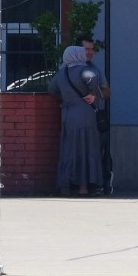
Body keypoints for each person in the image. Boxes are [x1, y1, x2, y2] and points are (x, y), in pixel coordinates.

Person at [48, 46, 103, 197]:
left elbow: (51, 89)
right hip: (85, 113)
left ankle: (66, 183)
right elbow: (93, 77)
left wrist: (66, 98)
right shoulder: (84, 70)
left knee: (70, 148)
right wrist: (92, 94)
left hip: (67, 114)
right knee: (87, 147)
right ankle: (85, 186)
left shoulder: (61, 73)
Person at [79, 36, 113, 195]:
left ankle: (95, 184)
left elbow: (107, 92)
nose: (90, 52)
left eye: (92, 49)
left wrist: (96, 93)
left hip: (95, 116)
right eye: (86, 49)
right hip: (78, 118)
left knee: (96, 152)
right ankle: (80, 185)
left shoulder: (96, 69)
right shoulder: (69, 69)